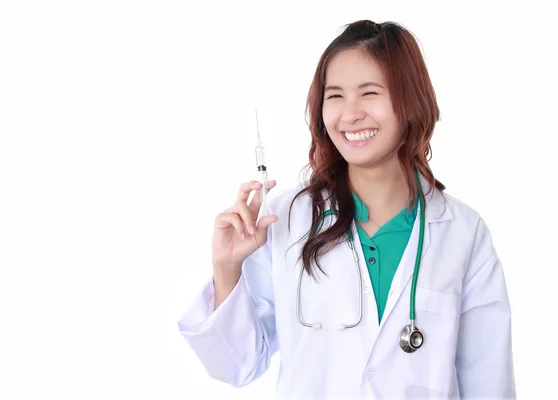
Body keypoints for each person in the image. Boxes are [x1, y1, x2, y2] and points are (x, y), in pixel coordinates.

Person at [177, 20, 516, 399]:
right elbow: (236, 365)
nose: (350, 114)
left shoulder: (463, 232)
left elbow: (490, 381)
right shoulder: (286, 217)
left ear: (411, 102)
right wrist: (227, 269)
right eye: (335, 96)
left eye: (370, 93)